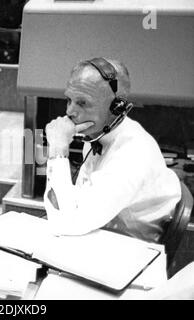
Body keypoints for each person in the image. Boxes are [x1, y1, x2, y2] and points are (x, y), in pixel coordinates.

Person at [44, 57, 181, 243]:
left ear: (117, 108)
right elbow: (75, 205)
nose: (69, 111)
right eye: (69, 99)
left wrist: (58, 149)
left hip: (130, 247)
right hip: (101, 229)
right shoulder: (97, 133)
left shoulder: (133, 154)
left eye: (82, 103)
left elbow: (67, 223)